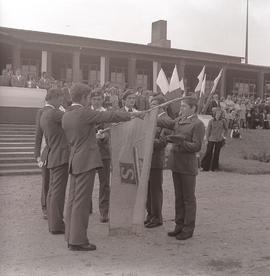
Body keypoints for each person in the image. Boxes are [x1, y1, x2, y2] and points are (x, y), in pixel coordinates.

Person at [62, 83, 144, 251]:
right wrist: (135, 115)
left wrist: (94, 135)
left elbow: (81, 134)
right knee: (81, 202)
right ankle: (78, 240)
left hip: (75, 159)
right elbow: (109, 115)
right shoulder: (83, 113)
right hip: (86, 160)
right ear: (84, 98)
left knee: (72, 200)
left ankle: (70, 236)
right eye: (88, 97)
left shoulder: (67, 115)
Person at [157, 96, 205, 240]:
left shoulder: (197, 124)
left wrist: (180, 142)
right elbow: (166, 122)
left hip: (187, 165)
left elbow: (197, 146)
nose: (181, 108)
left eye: (184, 106)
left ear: (193, 108)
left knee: (188, 198)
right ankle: (179, 225)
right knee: (179, 197)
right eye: (181, 106)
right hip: (176, 163)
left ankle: (188, 228)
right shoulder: (178, 120)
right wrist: (147, 116)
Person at [40, 88, 69, 235]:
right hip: (61, 156)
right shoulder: (55, 113)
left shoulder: (44, 113)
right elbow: (73, 118)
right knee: (58, 192)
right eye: (60, 99)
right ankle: (57, 225)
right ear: (53, 98)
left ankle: (53, 223)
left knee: (52, 192)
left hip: (53, 155)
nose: (61, 101)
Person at [144, 96, 171, 229]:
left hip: (156, 159)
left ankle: (157, 217)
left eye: (154, 104)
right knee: (148, 189)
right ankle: (150, 214)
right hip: (147, 159)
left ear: (162, 105)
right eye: (150, 104)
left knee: (155, 190)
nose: (151, 106)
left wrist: (147, 140)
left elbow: (162, 142)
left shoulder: (166, 120)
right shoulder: (150, 118)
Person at [88, 89, 111, 223]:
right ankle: (87, 207)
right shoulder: (87, 112)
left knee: (104, 184)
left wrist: (103, 137)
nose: (96, 101)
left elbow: (109, 130)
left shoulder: (105, 113)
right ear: (90, 100)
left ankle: (104, 211)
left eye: (99, 99)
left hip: (103, 153)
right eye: (94, 99)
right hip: (90, 152)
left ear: (102, 100)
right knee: (87, 181)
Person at [34, 106, 50, 220]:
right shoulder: (42, 111)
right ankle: (45, 207)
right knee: (46, 180)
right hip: (45, 151)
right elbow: (38, 134)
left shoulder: (63, 110)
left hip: (58, 152)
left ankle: (53, 207)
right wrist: (37, 154)